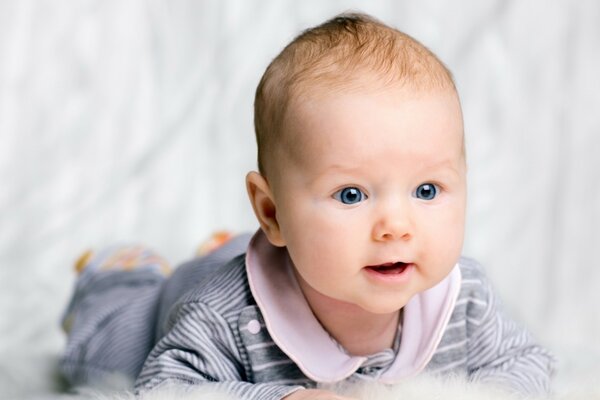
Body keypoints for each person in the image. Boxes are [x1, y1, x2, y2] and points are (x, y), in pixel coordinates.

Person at [60, 12, 555, 400]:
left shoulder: (463, 299)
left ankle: (220, 244)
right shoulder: (221, 316)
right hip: (175, 297)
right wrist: (283, 397)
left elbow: (528, 364)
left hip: (285, 252)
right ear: (271, 212)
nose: (396, 227)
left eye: (426, 190)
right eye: (351, 195)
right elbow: (166, 387)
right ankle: (118, 274)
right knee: (104, 353)